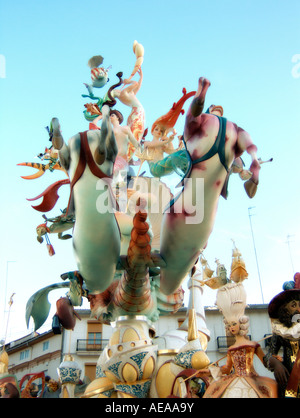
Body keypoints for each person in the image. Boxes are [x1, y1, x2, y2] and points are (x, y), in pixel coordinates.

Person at [201, 282, 278, 398]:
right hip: (234, 380)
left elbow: (265, 361)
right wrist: (210, 371)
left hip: (251, 379)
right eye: (230, 325)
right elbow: (227, 368)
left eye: (234, 324)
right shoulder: (231, 349)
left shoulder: (253, 345)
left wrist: (274, 359)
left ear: (241, 323)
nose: (232, 327)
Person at [264, 273, 300, 398]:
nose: (298, 309)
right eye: (293, 305)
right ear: (285, 309)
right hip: (289, 383)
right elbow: (268, 355)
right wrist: (276, 364)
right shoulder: (281, 331)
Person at [109, 109, 141, 174]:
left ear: (118, 117)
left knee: (117, 178)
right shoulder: (109, 131)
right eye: (109, 116)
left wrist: (143, 152)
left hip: (122, 158)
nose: (110, 117)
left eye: (112, 115)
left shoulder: (125, 128)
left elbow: (134, 142)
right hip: (112, 159)